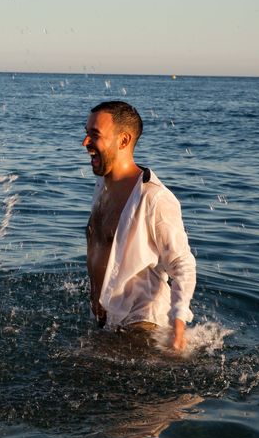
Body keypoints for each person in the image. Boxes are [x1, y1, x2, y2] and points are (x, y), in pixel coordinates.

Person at [83, 101, 196, 351]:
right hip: (109, 320)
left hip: (143, 326)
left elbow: (182, 265)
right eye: (86, 132)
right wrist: (95, 295)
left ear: (123, 141)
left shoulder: (154, 198)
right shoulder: (103, 185)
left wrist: (178, 329)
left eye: (94, 135)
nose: (85, 143)